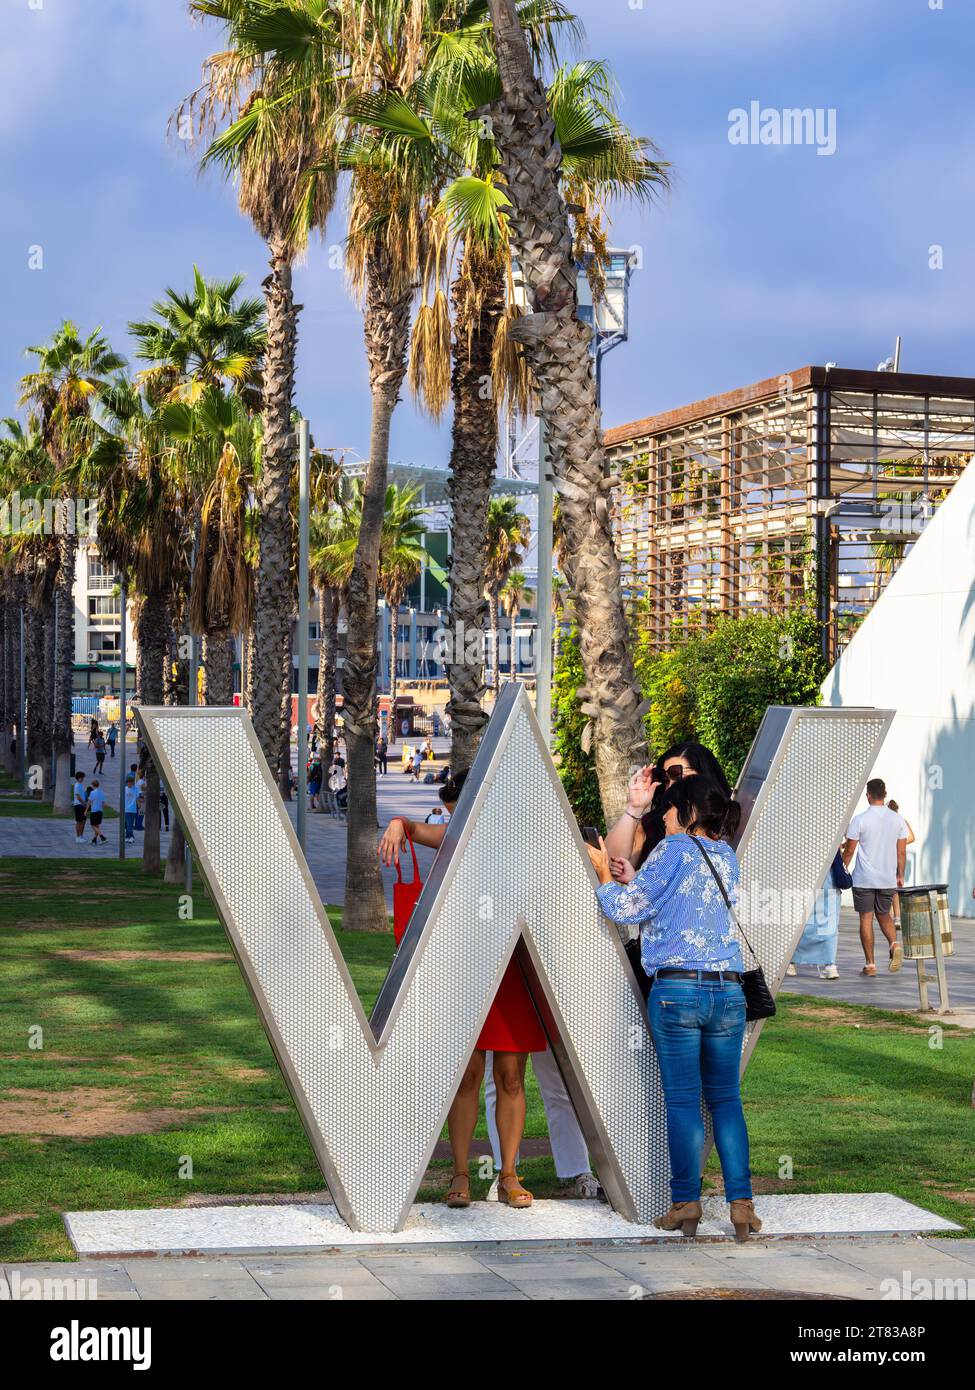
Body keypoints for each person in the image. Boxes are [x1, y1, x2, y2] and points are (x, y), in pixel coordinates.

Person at [588, 777, 761, 1242]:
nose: (662, 815)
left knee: (684, 1101)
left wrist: (605, 872)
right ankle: (741, 1204)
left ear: (687, 812)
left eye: (669, 808)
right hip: (728, 993)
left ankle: (685, 1202)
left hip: (678, 992)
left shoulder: (672, 848)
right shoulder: (725, 855)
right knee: (725, 1100)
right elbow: (673, 902)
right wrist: (634, 880)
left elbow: (626, 910)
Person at [380, 771, 543, 1210]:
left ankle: (508, 1175)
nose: (457, 819)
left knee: (511, 1076)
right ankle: (461, 1172)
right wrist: (399, 822)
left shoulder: (520, 838)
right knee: (467, 1075)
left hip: (512, 968)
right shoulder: (455, 835)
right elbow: (412, 829)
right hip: (466, 967)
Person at [604, 740, 734, 999]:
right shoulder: (659, 823)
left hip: (705, 963)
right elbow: (613, 859)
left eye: (677, 773)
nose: (671, 782)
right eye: (666, 777)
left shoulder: (727, 825)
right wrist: (634, 808)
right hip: (664, 959)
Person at [842, 778, 907, 977]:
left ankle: (870, 965)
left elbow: (850, 850)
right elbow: (901, 852)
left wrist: (842, 868)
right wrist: (900, 875)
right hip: (887, 878)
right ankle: (894, 943)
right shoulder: (898, 820)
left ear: (868, 795)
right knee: (884, 915)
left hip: (864, 879)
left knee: (866, 918)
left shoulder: (860, 819)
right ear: (885, 795)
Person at [789, 850, 845, 980]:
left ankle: (791, 962)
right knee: (829, 925)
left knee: (801, 922)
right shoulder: (830, 834)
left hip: (804, 880)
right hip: (829, 881)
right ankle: (830, 965)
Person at [886, 799, 916, 928]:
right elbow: (912, 837)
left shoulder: (885, 822)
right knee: (895, 889)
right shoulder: (901, 821)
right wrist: (900, 844)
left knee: (886, 887)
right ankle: (897, 917)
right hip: (897, 858)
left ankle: (890, 916)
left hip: (886, 857)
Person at [87, 779, 107, 844]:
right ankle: (94, 839)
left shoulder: (92, 793)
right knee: (97, 825)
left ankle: (102, 837)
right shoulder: (102, 792)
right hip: (100, 811)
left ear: (93, 785)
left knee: (93, 825)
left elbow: (89, 802)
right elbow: (103, 803)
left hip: (94, 811)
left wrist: (85, 811)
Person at [72, 772, 88, 843]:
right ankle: (78, 837)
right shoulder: (77, 785)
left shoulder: (81, 785)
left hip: (82, 805)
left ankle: (81, 836)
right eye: (82, 777)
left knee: (83, 821)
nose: (83, 779)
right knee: (79, 821)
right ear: (79, 778)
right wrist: (85, 803)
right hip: (78, 805)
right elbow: (78, 797)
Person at [123, 776, 138, 844]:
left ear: (132, 782)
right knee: (128, 824)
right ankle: (130, 836)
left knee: (130, 824)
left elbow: (138, 797)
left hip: (133, 809)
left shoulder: (136, 789)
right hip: (126, 809)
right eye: (128, 782)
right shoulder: (124, 789)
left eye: (131, 782)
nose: (129, 783)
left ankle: (128, 836)